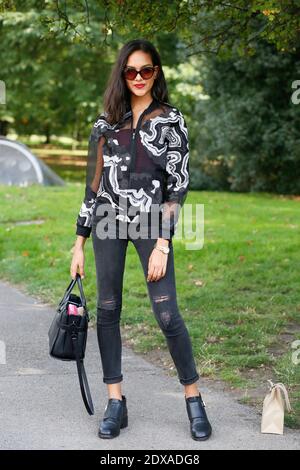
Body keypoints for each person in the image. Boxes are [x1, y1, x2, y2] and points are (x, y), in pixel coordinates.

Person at [70, 38, 212, 441]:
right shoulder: (104, 124)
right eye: (130, 71)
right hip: (107, 222)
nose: (138, 78)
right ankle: (116, 402)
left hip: (152, 225)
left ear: (156, 73)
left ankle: (194, 399)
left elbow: (177, 186)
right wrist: (79, 242)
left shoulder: (171, 120)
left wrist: (164, 243)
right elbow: (92, 187)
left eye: (146, 70)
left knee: (168, 315)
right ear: (122, 73)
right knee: (109, 308)